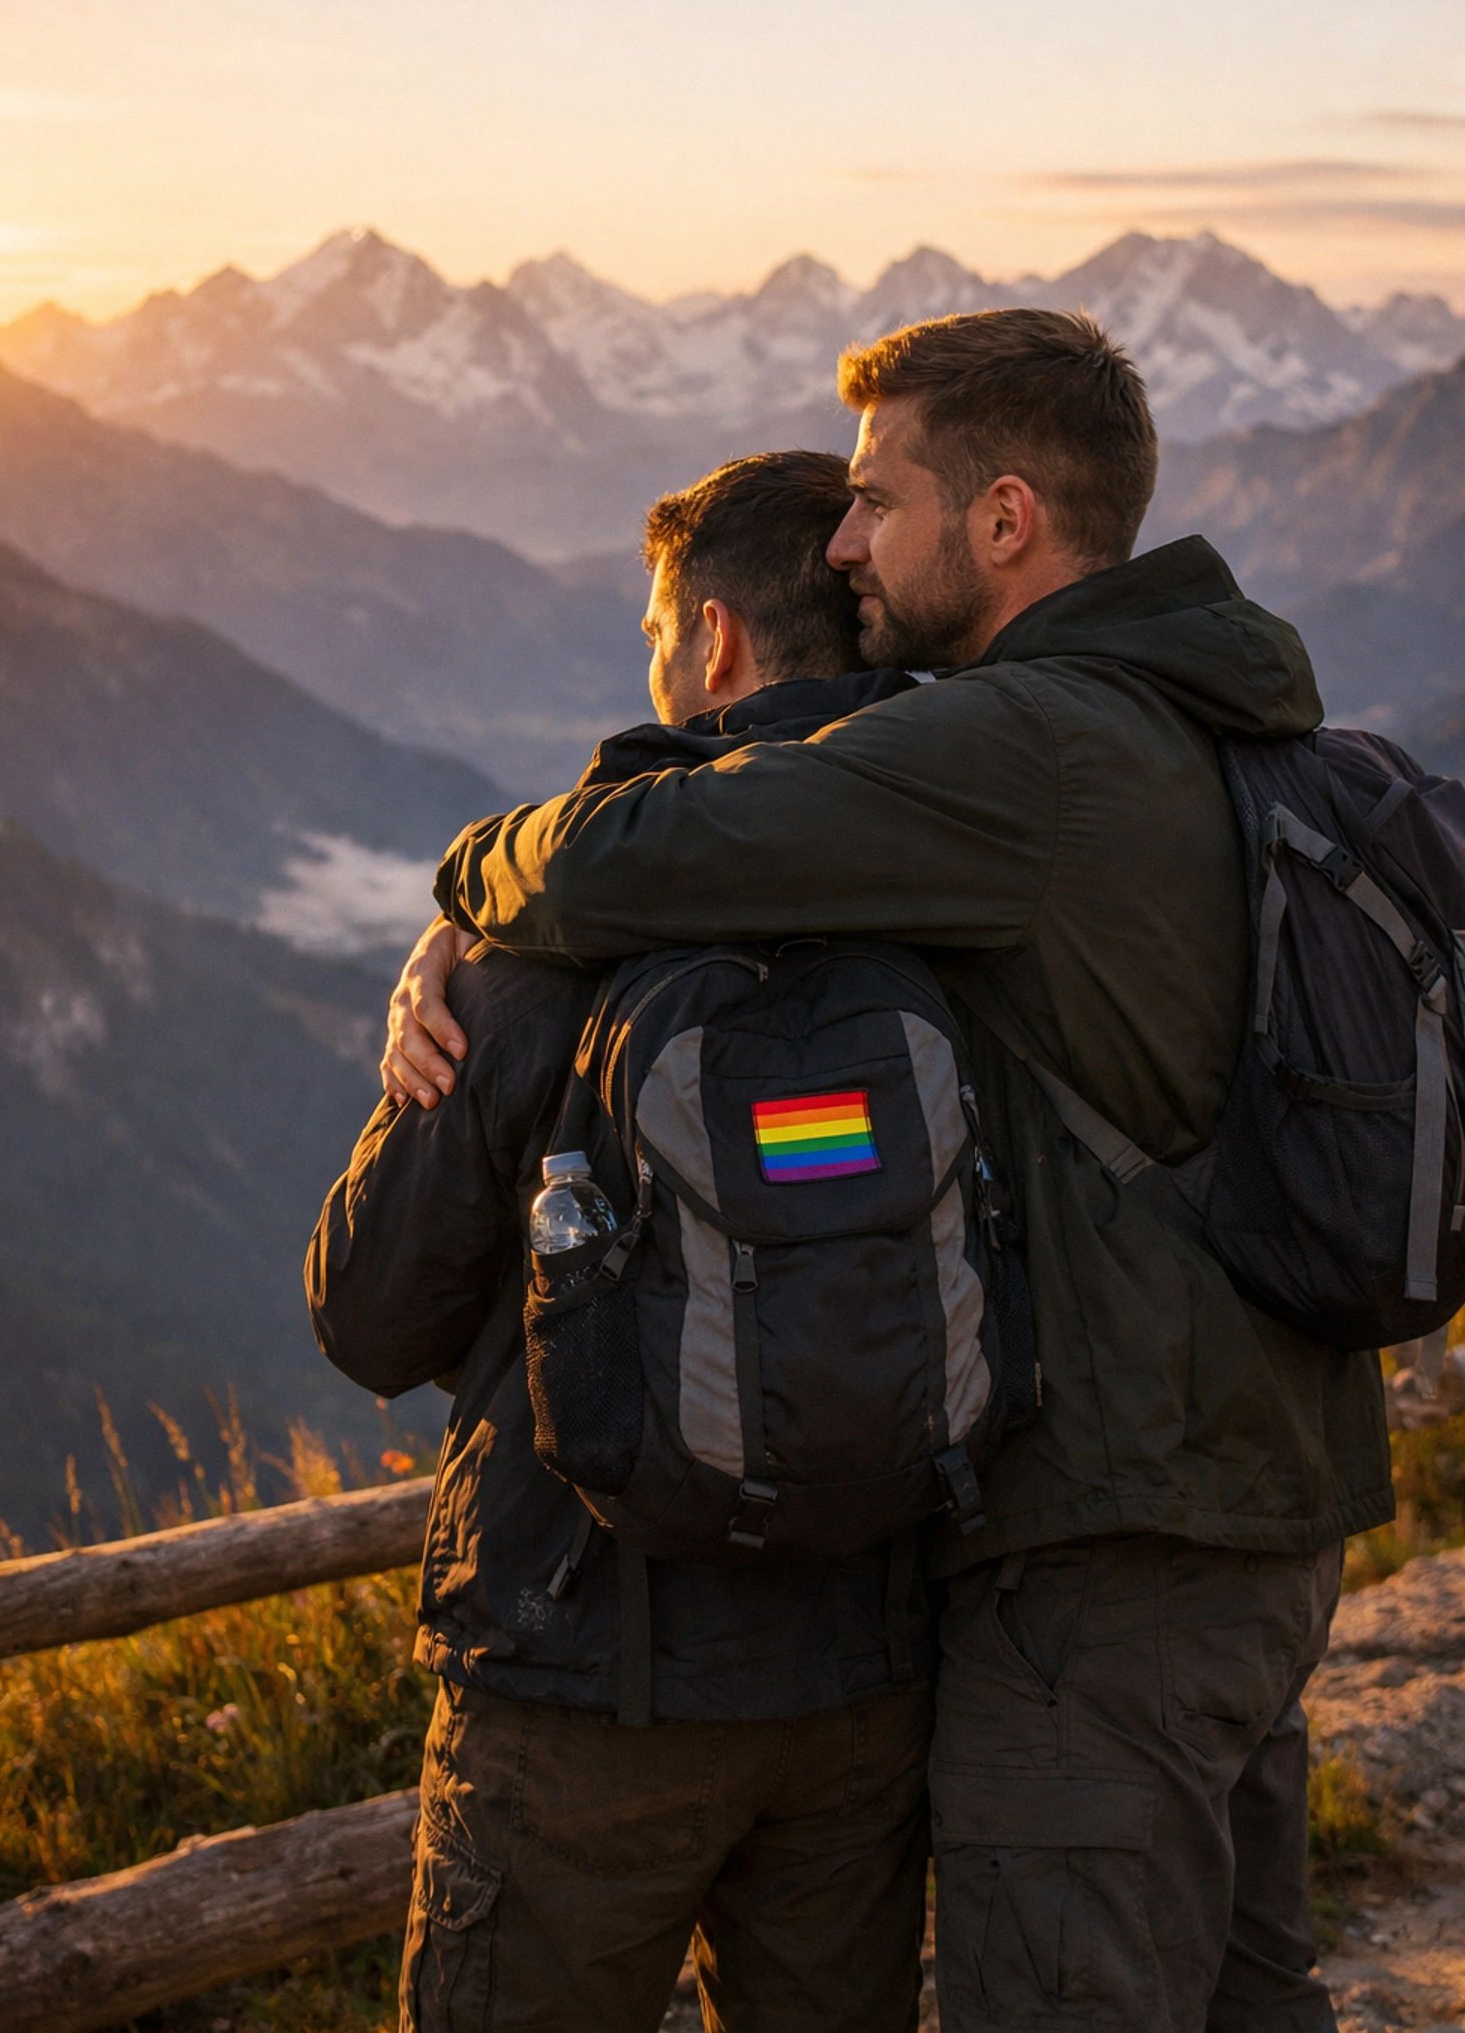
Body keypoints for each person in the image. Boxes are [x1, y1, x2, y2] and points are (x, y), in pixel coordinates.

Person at [386, 309, 1395, 2033]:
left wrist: (466, 890)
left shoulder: (1027, 748)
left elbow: (660, 842)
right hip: (1267, 1504)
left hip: (1109, 1551)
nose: (847, 542)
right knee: (1242, 1994)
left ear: (1002, 520)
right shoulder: (1223, 703)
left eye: (875, 499)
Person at [310, 451, 940, 2033]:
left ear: (714, 643)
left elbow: (370, 1315)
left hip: (584, 1669)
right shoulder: (960, 900)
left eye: (658, 628)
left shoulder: (544, 950)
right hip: (868, 1672)